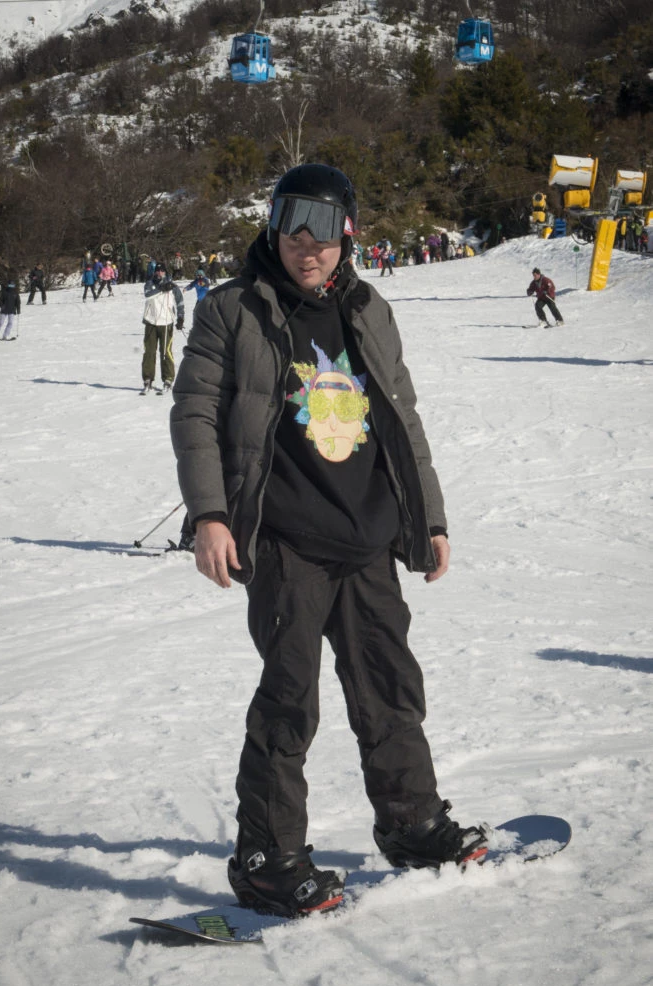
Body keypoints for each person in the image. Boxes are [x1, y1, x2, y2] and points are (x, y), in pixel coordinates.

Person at [170, 162, 488, 919]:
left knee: (389, 690)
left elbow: (403, 419)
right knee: (289, 701)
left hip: (368, 538)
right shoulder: (231, 310)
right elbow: (195, 414)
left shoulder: (369, 308)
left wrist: (430, 518)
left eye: (321, 228)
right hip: (286, 543)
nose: (305, 245)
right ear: (272, 228)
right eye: (291, 225)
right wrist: (210, 514)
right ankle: (266, 859)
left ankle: (411, 824)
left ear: (347, 233)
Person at [141, 263, 184, 393]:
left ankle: (168, 379)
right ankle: (148, 379)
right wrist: (161, 288)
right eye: (157, 271)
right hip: (151, 322)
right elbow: (148, 295)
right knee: (149, 352)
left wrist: (180, 317)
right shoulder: (150, 283)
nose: (159, 273)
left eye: (161, 271)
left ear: (165, 272)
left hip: (166, 322)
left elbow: (180, 301)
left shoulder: (172, 286)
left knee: (166, 352)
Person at [0, 275, 21, 339]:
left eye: (12, 285)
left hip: (12, 310)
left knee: (10, 323)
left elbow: (18, 302)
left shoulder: (15, 293)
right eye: (10, 285)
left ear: (14, 285)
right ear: (8, 285)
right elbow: (0, 301)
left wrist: (18, 309)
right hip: (4, 310)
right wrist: (2, 306)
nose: (11, 286)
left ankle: (6, 335)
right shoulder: (4, 292)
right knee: (1, 322)